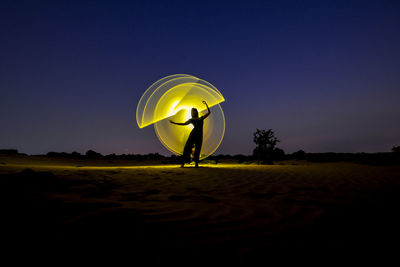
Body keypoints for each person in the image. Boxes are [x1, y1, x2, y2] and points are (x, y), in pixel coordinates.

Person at [169, 100, 211, 167]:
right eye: (192, 112)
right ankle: (183, 163)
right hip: (193, 134)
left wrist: (206, 104)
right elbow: (184, 124)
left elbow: (209, 112)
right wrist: (174, 122)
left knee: (198, 149)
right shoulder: (191, 120)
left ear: (196, 112)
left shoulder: (201, 118)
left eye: (194, 111)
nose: (193, 113)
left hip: (199, 135)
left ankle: (196, 164)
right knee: (187, 147)